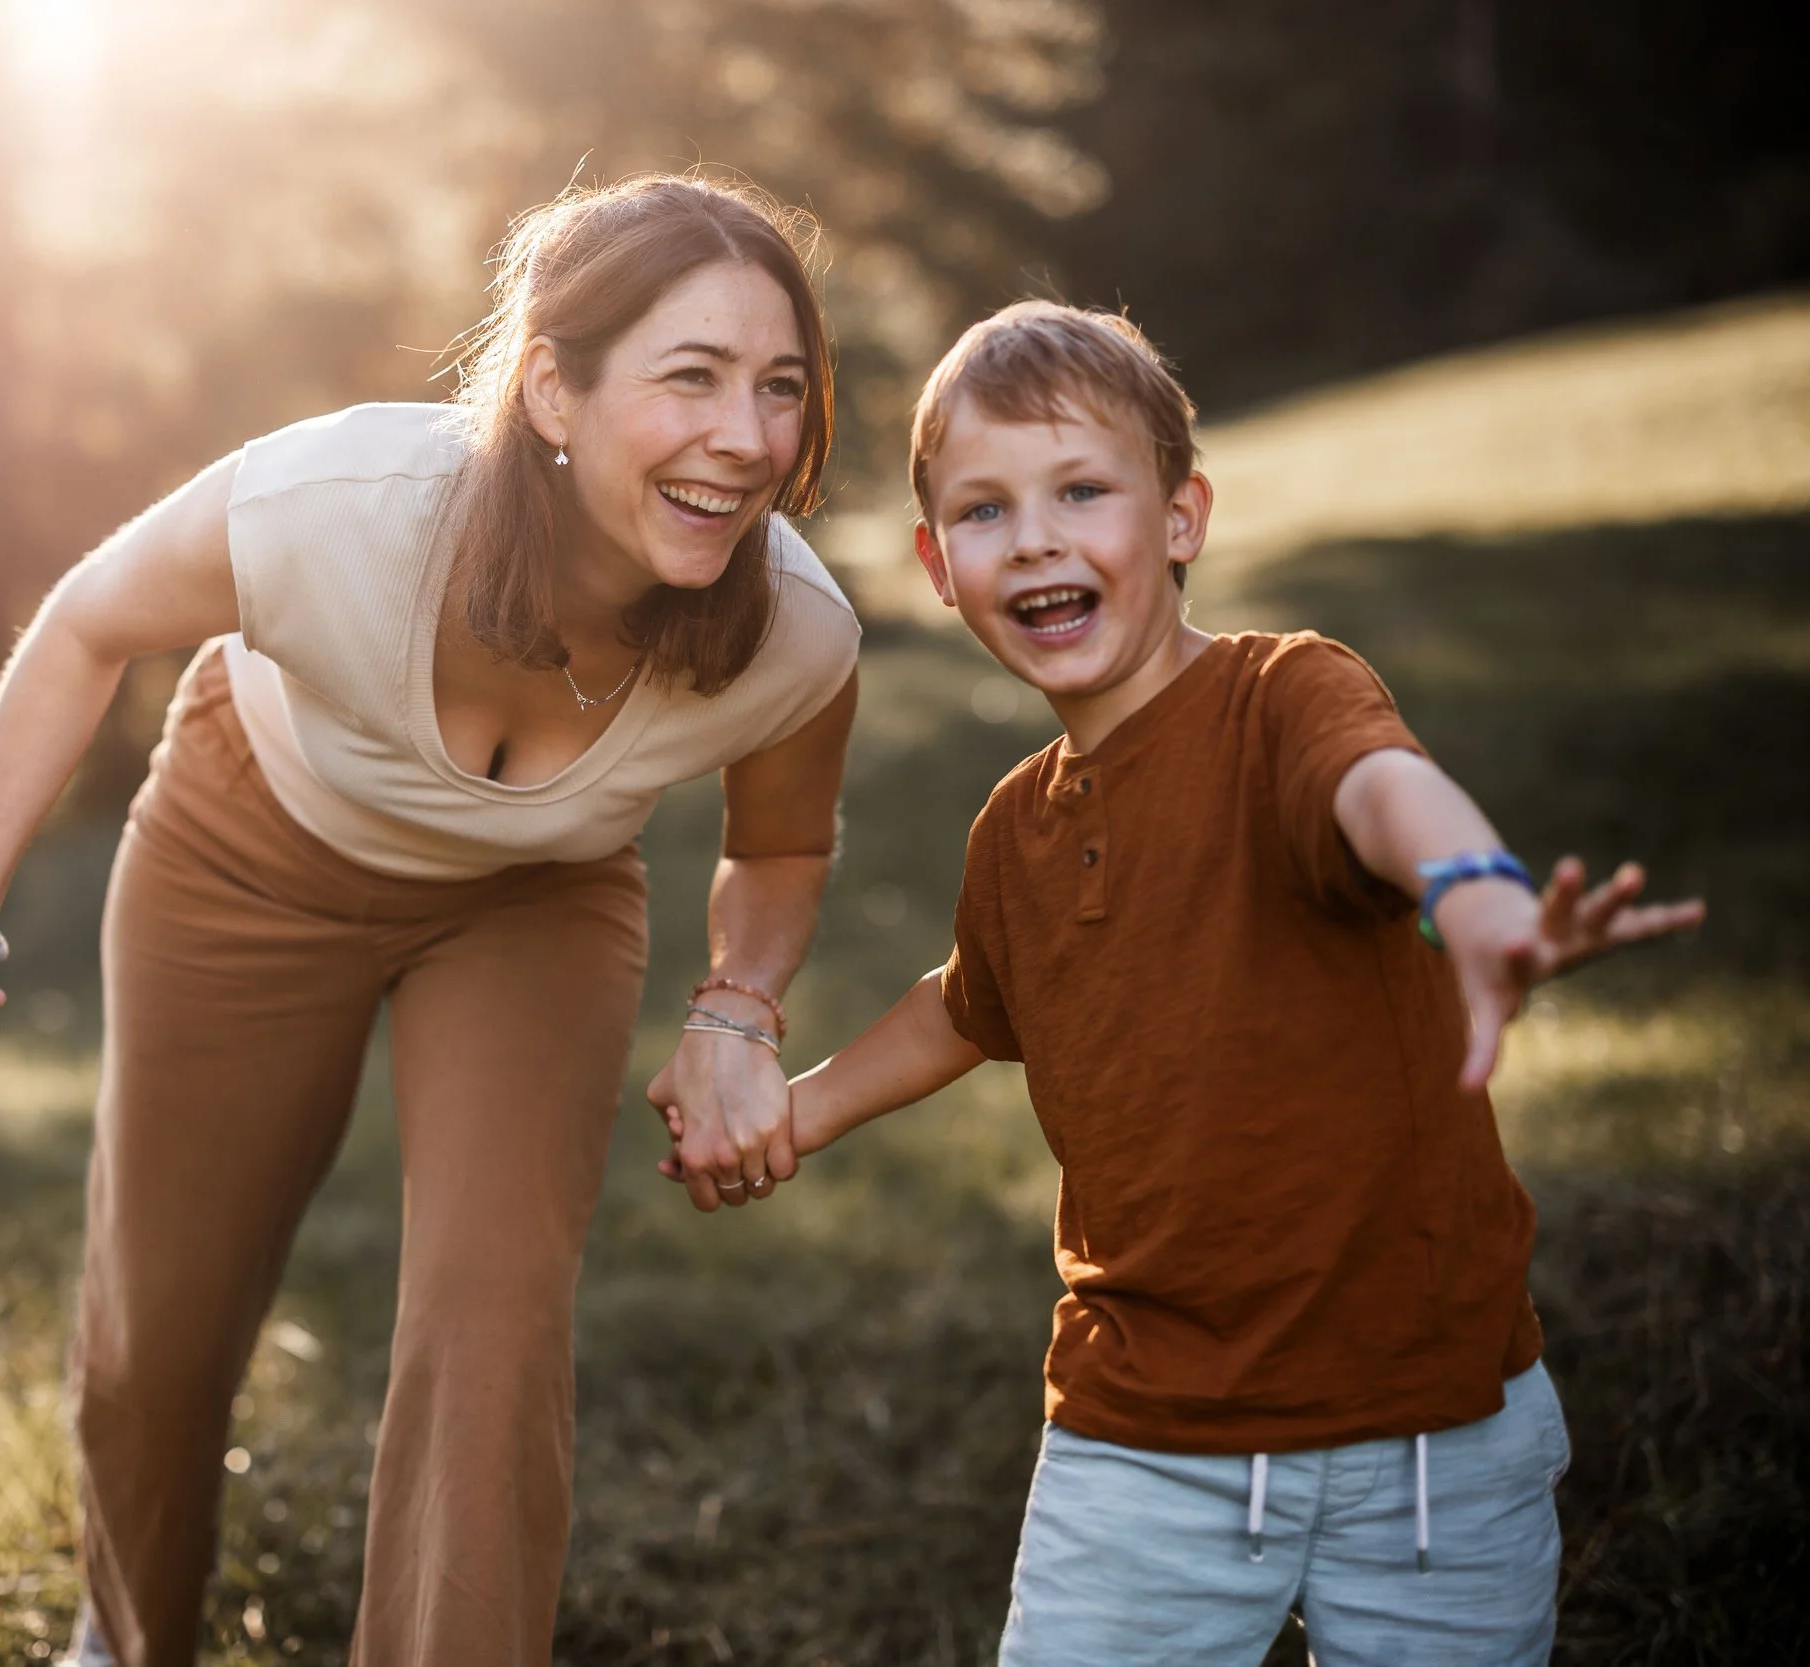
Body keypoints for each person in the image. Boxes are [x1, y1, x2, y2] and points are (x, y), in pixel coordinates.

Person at [0, 174, 862, 1666]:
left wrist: (738, 1004)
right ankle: (123, 1637)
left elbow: (781, 844)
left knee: (494, 1328)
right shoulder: (334, 509)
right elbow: (84, 624)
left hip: (535, 899)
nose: (746, 436)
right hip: (247, 845)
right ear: (553, 388)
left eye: (781, 386)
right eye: (694, 376)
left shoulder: (791, 627)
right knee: (163, 1319)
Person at [723, 302, 1702, 1664]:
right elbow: (968, 1004)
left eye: (1082, 490)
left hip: (1425, 1428)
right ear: (938, 564)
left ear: (1181, 517)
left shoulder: (1281, 698)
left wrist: (1473, 888)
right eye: (987, 510)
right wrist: (800, 1108)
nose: (1038, 537)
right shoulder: (1013, 828)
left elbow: (1381, 788)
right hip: (1144, 1430)